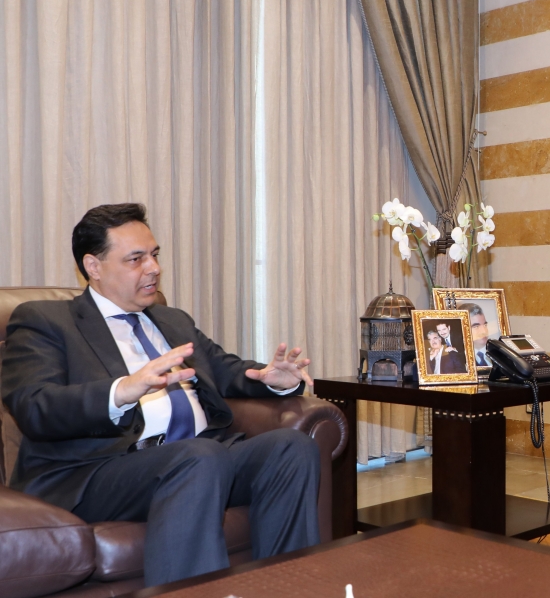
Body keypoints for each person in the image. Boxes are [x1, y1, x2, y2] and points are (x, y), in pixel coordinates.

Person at [1, 203, 321, 587]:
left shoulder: (172, 320)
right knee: (198, 456)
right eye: (136, 259)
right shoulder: (46, 320)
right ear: (94, 266)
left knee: (290, 447)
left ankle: (287, 589)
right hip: (99, 471)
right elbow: (34, 405)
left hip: (200, 457)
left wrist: (274, 379)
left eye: (153, 255)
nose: (153, 268)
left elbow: (227, 369)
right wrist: (123, 389)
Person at [459, 303, 491, 367]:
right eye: (476, 326)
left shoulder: (499, 355)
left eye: (485, 325)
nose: (484, 331)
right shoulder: (458, 360)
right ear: (461, 328)